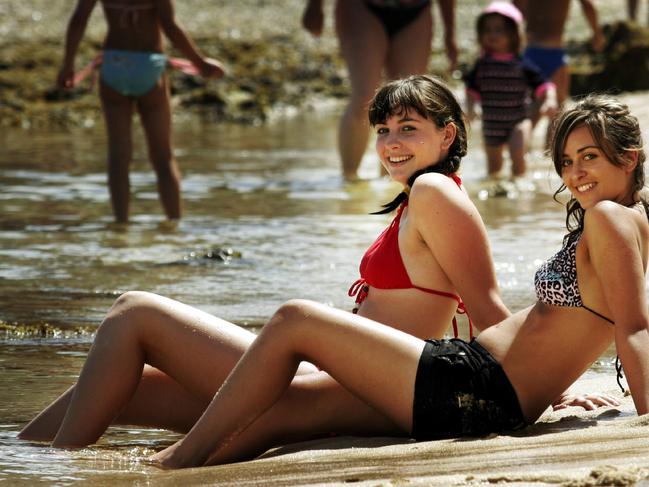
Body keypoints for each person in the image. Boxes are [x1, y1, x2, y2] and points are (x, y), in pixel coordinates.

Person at [19, 76, 616, 463]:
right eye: (383, 131)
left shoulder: (436, 191)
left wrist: (552, 389)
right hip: (332, 376)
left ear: (448, 134)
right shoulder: (423, 195)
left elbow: (485, 304)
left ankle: (58, 469)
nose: (392, 143)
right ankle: (27, 461)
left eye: (409, 128)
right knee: (116, 385)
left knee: (134, 313)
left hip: (346, 385)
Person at [57, 0, 225, 223]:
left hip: (113, 65)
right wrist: (200, 64)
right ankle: (174, 226)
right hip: (148, 64)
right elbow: (170, 26)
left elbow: (79, 20)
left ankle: (121, 226)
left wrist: (68, 64)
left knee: (118, 155)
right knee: (163, 155)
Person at [301, 0, 458, 181]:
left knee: (408, 103)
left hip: (416, 9)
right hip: (361, 7)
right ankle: (349, 181)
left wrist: (450, 31)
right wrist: (315, 5)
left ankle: (393, 184)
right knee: (364, 97)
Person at [464, 1, 557, 184]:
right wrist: (470, 107)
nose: (492, 35)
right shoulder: (482, 65)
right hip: (491, 123)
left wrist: (550, 100)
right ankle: (499, 193)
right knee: (494, 169)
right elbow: (470, 89)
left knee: (518, 156)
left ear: (513, 34)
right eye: (487, 30)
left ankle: (521, 187)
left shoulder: (521, 64)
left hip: (518, 121)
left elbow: (545, 85)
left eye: (499, 30)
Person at [513, 0, 605, 148]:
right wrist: (597, 33)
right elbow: (588, 5)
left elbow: (514, 7)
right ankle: (548, 156)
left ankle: (519, 155)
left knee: (531, 110)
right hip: (555, 52)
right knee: (557, 111)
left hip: (530, 51)